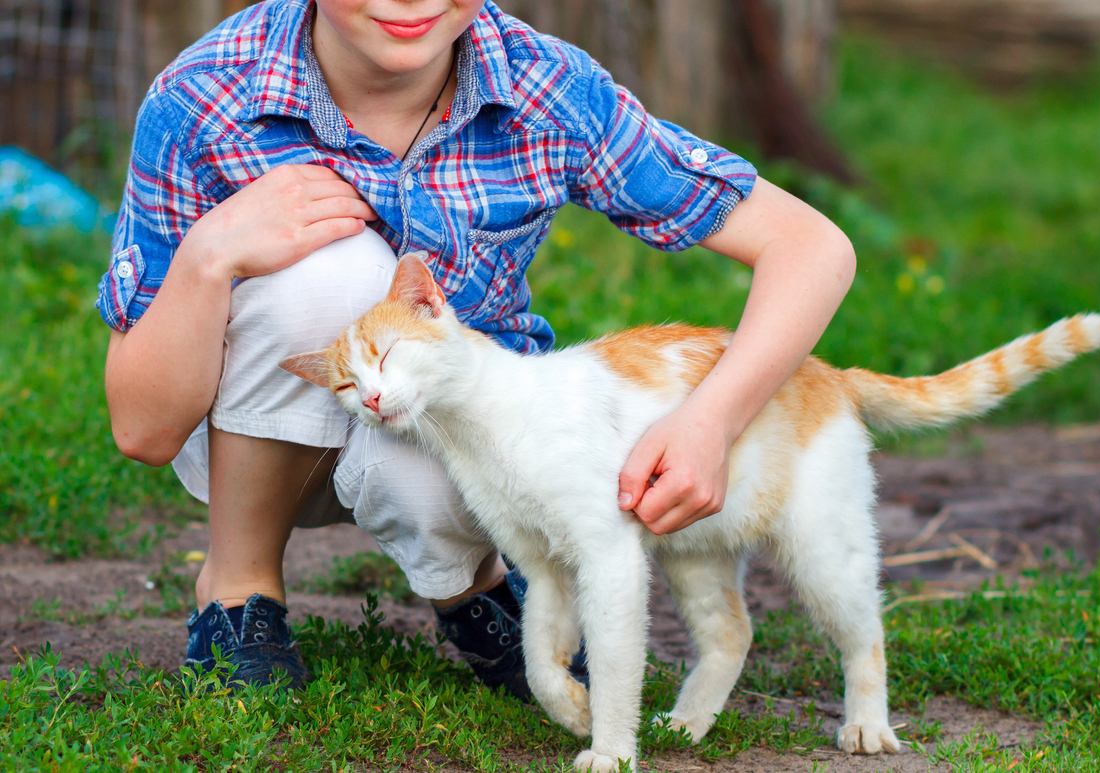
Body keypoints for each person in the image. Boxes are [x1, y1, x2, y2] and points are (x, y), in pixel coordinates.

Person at [99, 0, 855, 694]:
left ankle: (475, 586)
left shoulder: (544, 87)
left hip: (434, 423)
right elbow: (143, 430)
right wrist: (210, 255)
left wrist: (712, 421)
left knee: (464, 434)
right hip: (255, 430)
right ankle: (238, 592)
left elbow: (812, 248)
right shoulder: (205, 96)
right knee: (331, 273)